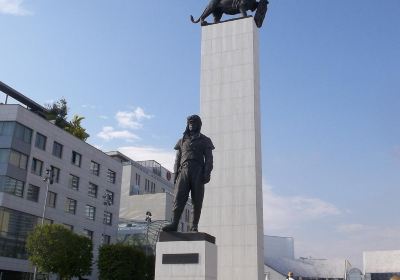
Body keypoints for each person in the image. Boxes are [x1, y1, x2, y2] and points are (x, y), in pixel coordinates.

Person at [162, 115, 214, 232]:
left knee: (197, 200)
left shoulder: (205, 140)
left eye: (194, 122)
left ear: (199, 124)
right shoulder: (182, 141)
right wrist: (175, 175)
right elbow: (177, 159)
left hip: (198, 171)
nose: (191, 125)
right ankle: (174, 223)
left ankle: (194, 225)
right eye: (189, 123)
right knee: (178, 197)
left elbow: (209, 159)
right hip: (183, 171)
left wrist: (207, 173)